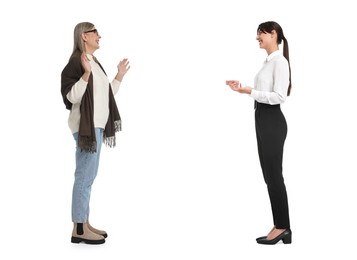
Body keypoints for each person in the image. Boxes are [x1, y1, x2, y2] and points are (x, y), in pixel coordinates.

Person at [61, 22, 130, 245]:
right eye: (95, 32)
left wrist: (119, 76)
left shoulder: (95, 63)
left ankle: (84, 222)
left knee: (88, 177)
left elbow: (105, 95)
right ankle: (78, 228)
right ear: (84, 36)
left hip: (97, 126)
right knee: (83, 176)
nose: (99, 36)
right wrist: (85, 75)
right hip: (85, 129)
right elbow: (72, 96)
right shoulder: (77, 62)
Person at [226, 21, 292, 245]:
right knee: (269, 176)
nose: (257, 38)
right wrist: (243, 88)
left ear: (273, 34)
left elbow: (280, 96)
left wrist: (249, 91)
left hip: (272, 120)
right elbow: (264, 92)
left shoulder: (280, 62)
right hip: (262, 118)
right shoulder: (268, 62)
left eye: (260, 33)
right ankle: (280, 224)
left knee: (274, 176)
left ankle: (283, 227)